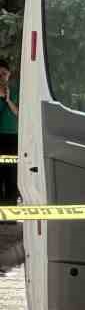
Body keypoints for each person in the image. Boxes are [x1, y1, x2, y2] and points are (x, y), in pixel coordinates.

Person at [0, 62, 17, 205]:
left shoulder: (16, 90)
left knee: (11, 173)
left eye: (4, 74)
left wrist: (8, 99)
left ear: (9, 75)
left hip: (12, 137)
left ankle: (11, 211)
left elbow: (19, 113)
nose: (1, 77)